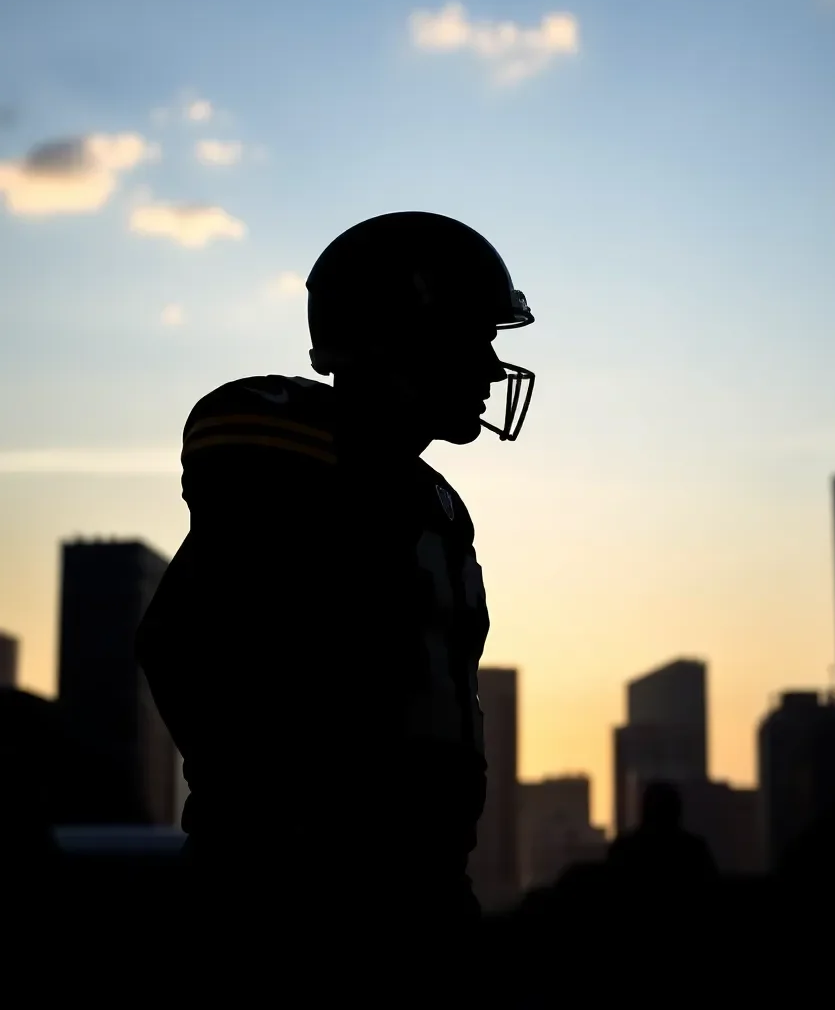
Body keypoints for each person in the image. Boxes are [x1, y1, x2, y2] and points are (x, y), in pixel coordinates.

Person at [135, 211, 537, 937]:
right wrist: (276, 816)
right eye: (474, 339)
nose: (489, 367)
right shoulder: (290, 450)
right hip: (292, 897)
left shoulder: (436, 505)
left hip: (423, 886)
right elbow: (177, 643)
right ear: (403, 337)